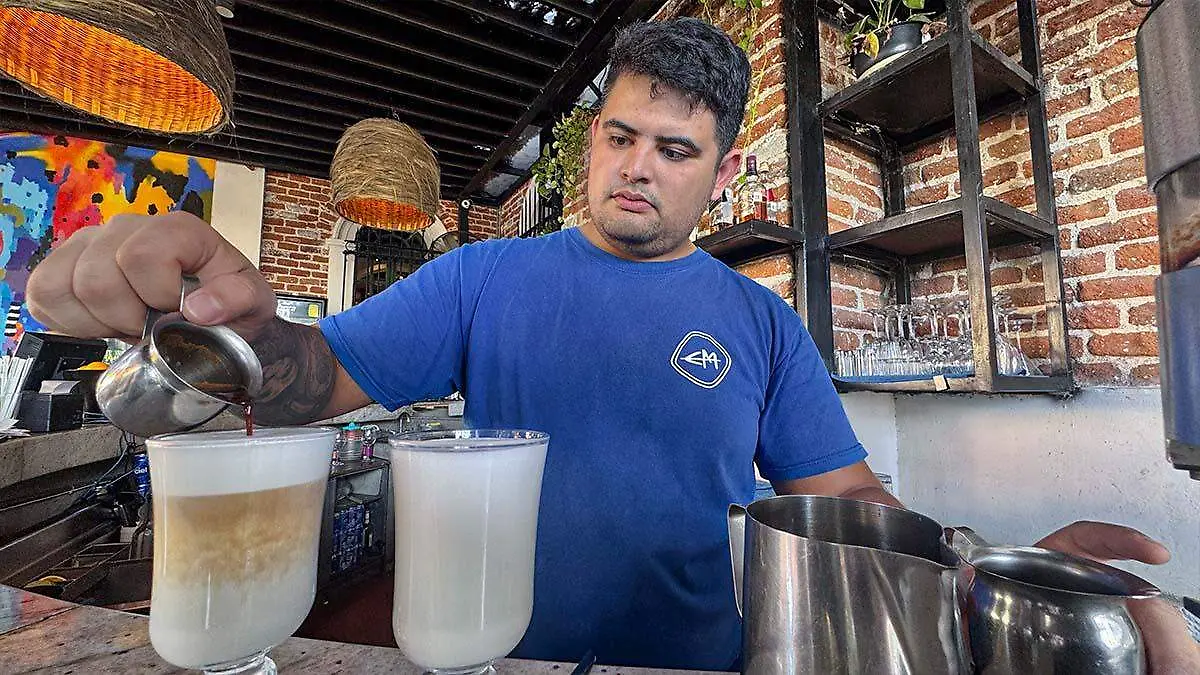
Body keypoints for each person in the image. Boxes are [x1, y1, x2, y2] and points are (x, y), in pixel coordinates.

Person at [26, 17, 1198, 673]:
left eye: (673, 151)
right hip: (496, 657)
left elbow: (851, 501)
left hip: (697, 663)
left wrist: (1002, 565)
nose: (638, 166)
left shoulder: (760, 321)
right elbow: (304, 386)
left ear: (722, 169)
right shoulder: (484, 277)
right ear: (592, 143)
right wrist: (213, 337)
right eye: (621, 137)